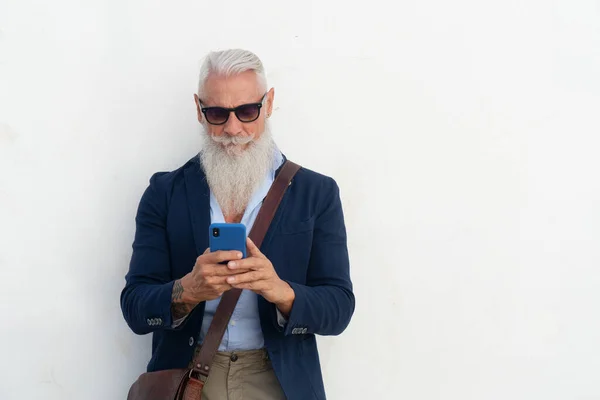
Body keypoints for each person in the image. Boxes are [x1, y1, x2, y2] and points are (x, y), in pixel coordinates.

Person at [120, 48, 355, 400]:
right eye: (217, 113)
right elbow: (135, 306)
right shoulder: (163, 193)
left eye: (247, 111)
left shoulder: (316, 193)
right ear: (199, 110)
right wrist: (187, 290)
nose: (233, 128)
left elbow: (339, 308)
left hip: (277, 379)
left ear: (269, 103)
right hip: (188, 379)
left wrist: (282, 293)